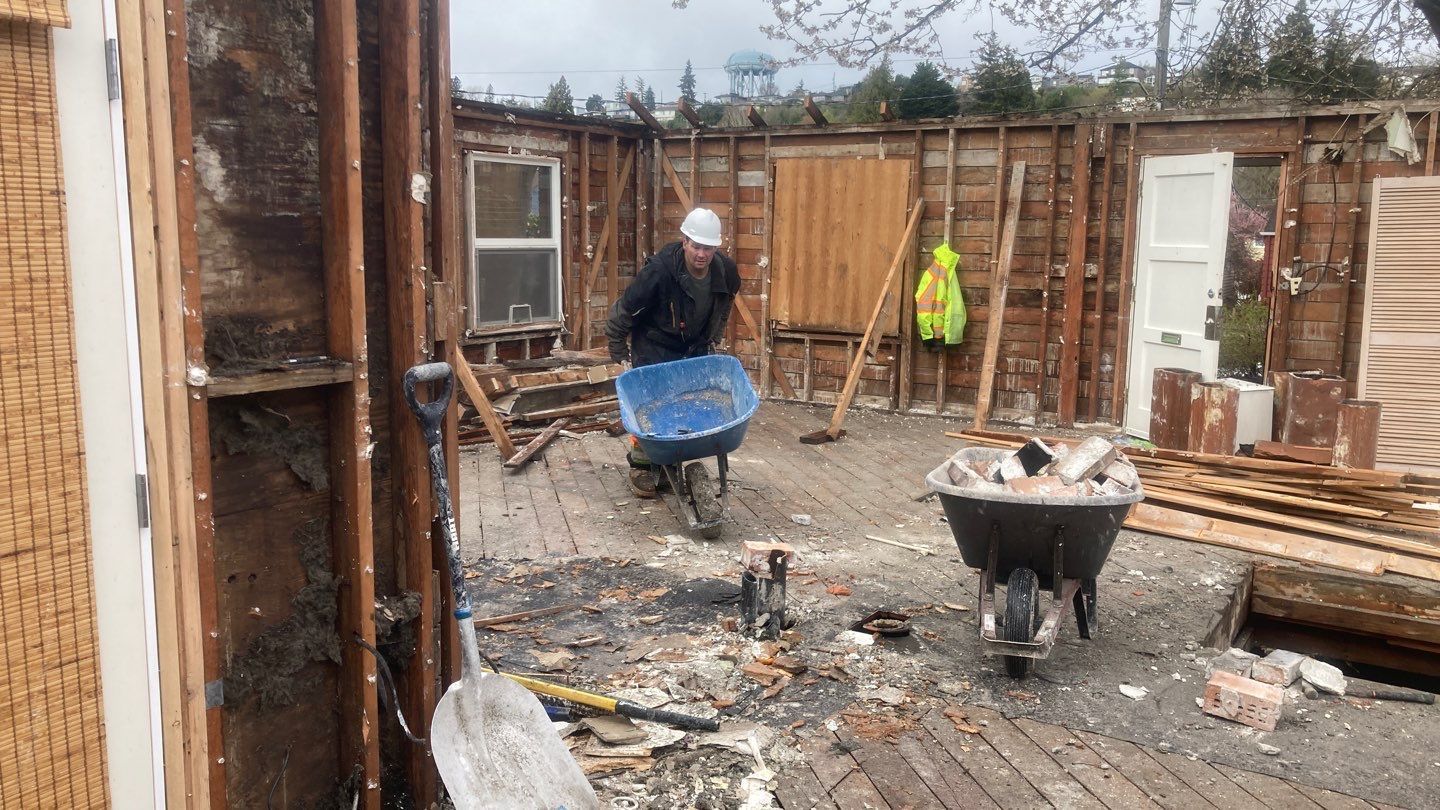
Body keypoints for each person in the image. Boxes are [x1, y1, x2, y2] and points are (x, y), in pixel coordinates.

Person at [606, 207, 741, 497]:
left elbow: (726, 303)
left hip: (693, 344)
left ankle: (672, 459)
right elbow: (626, 309)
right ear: (684, 242)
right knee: (650, 408)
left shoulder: (726, 272)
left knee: (685, 405)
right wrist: (617, 348)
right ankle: (642, 466)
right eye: (696, 246)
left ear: (716, 247)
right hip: (655, 343)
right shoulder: (660, 271)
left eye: (708, 248)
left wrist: (714, 337)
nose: (702, 254)